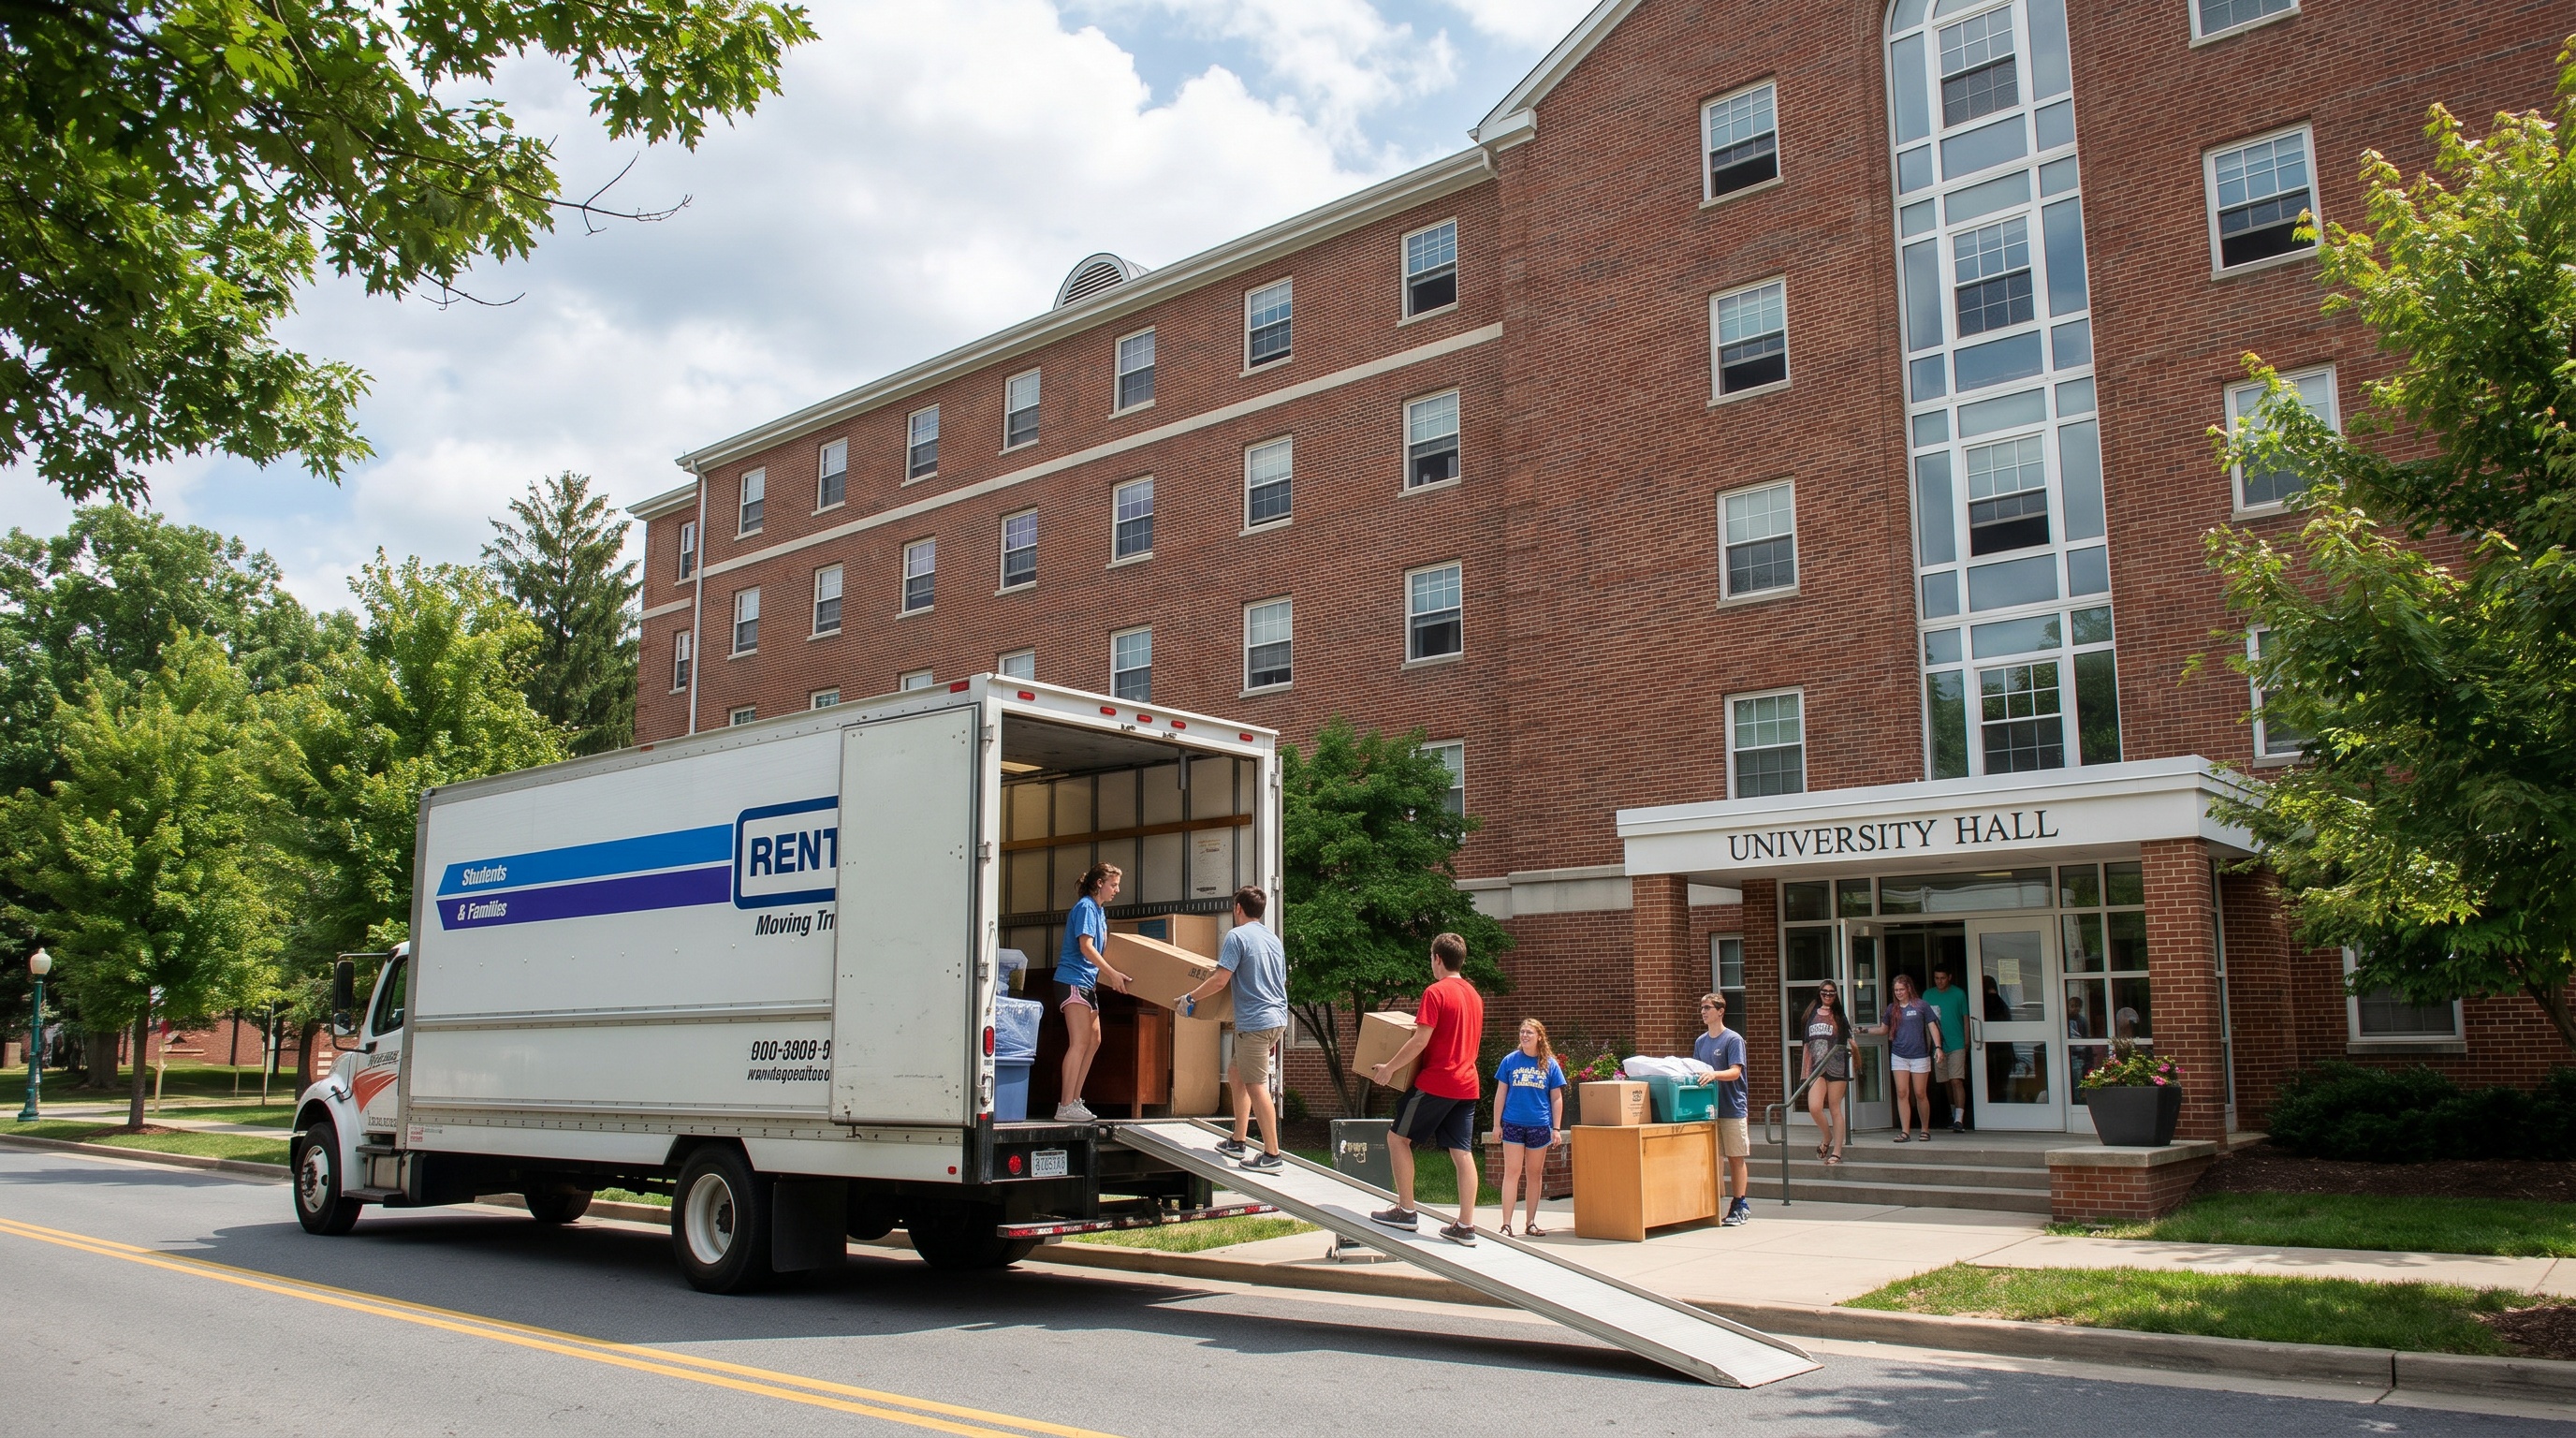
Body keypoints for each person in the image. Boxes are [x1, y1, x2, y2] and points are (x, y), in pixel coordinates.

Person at [1366, 932, 1485, 1244]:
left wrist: (1389, 1068)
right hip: (1467, 1085)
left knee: (1397, 1139)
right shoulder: (1474, 995)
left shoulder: (1436, 992)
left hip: (1438, 1082)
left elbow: (1420, 1039)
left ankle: (1406, 1211)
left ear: (1437, 959)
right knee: (1462, 1152)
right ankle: (1466, 1226)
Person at [1180, 886, 1286, 1172]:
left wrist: (1190, 998)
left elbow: (1219, 980)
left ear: (1238, 908)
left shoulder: (1236, 936)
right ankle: (1238, 1140)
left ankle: (1272, 1155)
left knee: (1256, 1085)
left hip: (1255, 1022)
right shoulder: (1272, 939)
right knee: (1236, 1073)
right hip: (1275, 1019)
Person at [1052, 862, 1133, 1123]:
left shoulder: (1099, 911)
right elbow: (1086, 946)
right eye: (1114, 884)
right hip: (1073, 979)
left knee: (1094, 1040)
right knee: (1079, 1042)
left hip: (1087, 982)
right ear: (1100, 883)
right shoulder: (1086, 907)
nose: (1117, 890)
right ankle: (1065, 1105)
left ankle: (1075, 1100)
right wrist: (1112, 974)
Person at [1491, 1019, 1566, 1237]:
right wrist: (1497, 1124)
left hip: (1539, 1125)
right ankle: (1506, 1224)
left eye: (1530, 1033)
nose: (1524, 1035)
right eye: (1522, 1032)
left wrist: (1556, 1128)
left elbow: (1556, 1098)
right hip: (1513, 1124)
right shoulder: (1510, 1061)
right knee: (1512, 1172)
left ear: (1539, 1037)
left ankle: (1530, 1222)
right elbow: (1501, 1094)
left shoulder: (1550, 1064)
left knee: (1534, 1174)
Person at [1693, 993, 1752, 1225]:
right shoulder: (1701, 1042)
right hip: (1710, 1110)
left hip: (1733, 1108)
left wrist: (1714, 1075)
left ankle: (1740, 1204)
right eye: (1701, 1008)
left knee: (1735, 1157)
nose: (1703, 1012)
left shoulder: (1733, 1039)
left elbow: (1735, 1072)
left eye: (1707, 1007)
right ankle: (1714, 1204)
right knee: (1713, 1158)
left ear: (1720, 1011)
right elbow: (1697, 1070)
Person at [1870, 974, 1942, 1142]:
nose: (1899, 993)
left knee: (1920, 1093)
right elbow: (1883, 1030)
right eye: (1896, 990)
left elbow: (1933, 1026)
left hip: (1920, 1055)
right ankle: (1905, 1131)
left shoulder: (1921, 1005)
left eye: (1901, 989)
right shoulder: (1891, 1008)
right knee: (1902, 1092)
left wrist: (1938, 1048)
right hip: (1899, 1055)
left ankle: (1925, 1129)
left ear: (1909, 988)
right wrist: (1862, 1030)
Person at [1798, 981, 1853, 1165]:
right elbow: (1806, 1044)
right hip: (1816, 1067)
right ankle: (1827, 1136)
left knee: (1835, 1108)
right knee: (1814, 1107)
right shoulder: (1810, 1014)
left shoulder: (1839, 1016)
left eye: (1831, 993)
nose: (1828, 996)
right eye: (1825, 993)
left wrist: (1855, 1051)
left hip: (1836, 1065)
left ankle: (1837, 1152)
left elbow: (1849, 1040)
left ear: (1836, 996)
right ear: (1819, 994)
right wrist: (1806, 1071)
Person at [1925, 965, 1970, 1133]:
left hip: (1957, 1043)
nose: (1939, 981)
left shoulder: (1959, 994)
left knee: (1956, 1080)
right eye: (1936, 978)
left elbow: (1965, 1018)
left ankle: (1960, 1118)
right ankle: (1953, 1116)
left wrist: (1967, 1042)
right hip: (1938, 1047)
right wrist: (1928, 1046)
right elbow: (1926, 1024)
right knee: (1945, 1082)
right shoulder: (1928, 995)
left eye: (1942, 978)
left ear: (1949, 977)